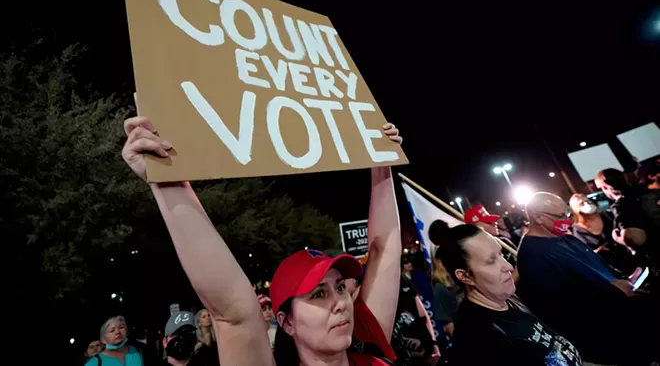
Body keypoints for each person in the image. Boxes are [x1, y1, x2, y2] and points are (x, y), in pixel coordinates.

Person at [121, 115, 403, 365]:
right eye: (318, 293)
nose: (340, 302)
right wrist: (166, 178)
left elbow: (385, 252)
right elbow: (234, 310)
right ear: (287, 322)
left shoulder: (372, 355)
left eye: (340, 287)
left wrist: (382, 158)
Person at [516, 192, 656, 365]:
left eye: (567, 213)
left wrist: (626, 280)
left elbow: (599, 270)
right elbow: (561, 305)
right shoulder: (533, 255)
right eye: (560, 216)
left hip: (625, 316)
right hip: (605, 334)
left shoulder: (567, 239)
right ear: (538, 217)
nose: (567, 220)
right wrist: (613, 291)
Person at [428, 219, 581, 366]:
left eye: (500, 254)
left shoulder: (508, 301)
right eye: (491, 261)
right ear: (465, 276)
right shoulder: (479, 340)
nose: (508, 266)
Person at [595, 168, 659, 262]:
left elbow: (634, 237)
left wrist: (622, 240)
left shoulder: (621, 207)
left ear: (604, 187)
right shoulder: (648, 191)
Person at [569, 193, 639, 275]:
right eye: (582, 204)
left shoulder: (607, 215)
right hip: (615, 268)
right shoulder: (578, 231)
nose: (587, 204)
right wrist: (599, 251)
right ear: (575, 210)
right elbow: (586, 254)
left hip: (632, 256)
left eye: (587, 201)